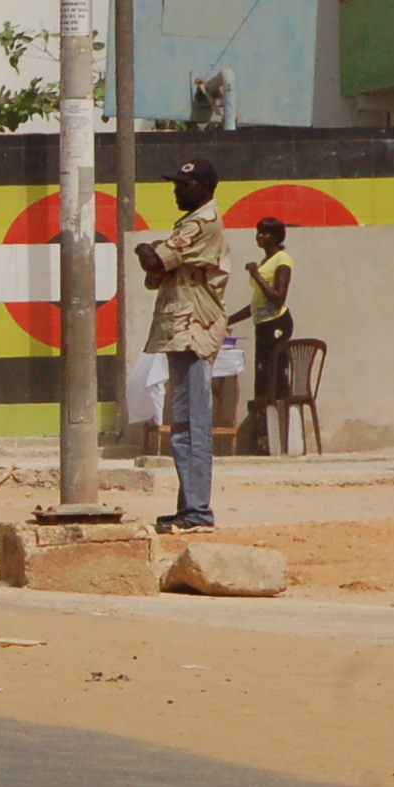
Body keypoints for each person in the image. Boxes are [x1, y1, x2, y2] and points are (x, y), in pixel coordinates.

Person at [138, 158, 231, 531]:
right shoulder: (192, 222)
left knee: (192, 426)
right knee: (184, 424)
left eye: (184, 184)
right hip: (182, 330)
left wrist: (147, 247)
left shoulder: (202, 222)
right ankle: (188, 508)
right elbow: (158, 271)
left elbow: (154, 260)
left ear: (204, 187)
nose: (177, 189)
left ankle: (197, 512)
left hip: (193, 330)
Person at [240, 217, 295, 451]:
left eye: (265, 233)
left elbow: (278, 297)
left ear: (276, 237)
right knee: (262, 378)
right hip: (262, 324)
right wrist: (227, 320)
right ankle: (264, 438)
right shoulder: (266, 261)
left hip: (276, 324)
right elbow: (257, 303)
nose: (260, 237)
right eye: (258, 232)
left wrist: (256, 275)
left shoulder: (282, 262)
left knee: (276, 379)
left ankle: (282, 439)